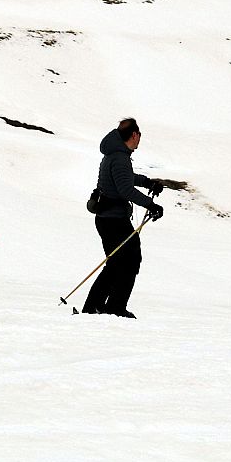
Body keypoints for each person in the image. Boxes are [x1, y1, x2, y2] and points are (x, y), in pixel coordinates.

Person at [82, 118, 164, 318]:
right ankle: (113, 307)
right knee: (130, 259)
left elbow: (125, 177)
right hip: (113, 220)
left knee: (118, 263)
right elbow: (125, 188)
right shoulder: (119, 157)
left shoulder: (115, 154)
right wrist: (151, 205)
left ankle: (95, 307)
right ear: (134, 135)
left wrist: (147, 182)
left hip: (108, 218)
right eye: (139, 137)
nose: (138, 142)